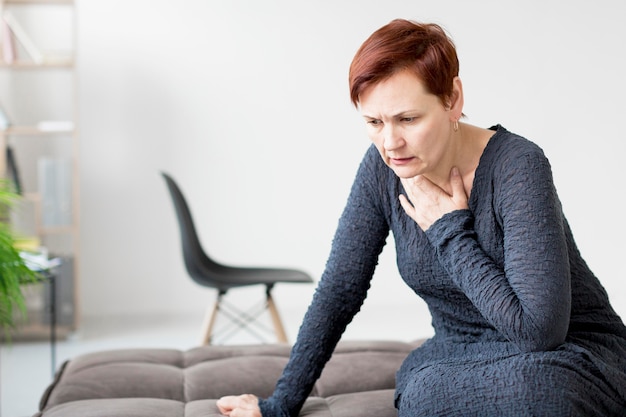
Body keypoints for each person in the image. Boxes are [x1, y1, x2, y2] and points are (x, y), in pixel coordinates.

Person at [217, 18, 626, 416]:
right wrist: (279, 406)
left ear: (453, 99)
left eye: (408, 119)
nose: (390, 142)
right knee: (423, 392)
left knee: (537, 391)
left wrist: (449, 231)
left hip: (566, 354)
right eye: (374, 122)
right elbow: (340, 290)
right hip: (458, 353)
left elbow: (538, 333)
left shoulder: (518, 165)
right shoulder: (382, 168)